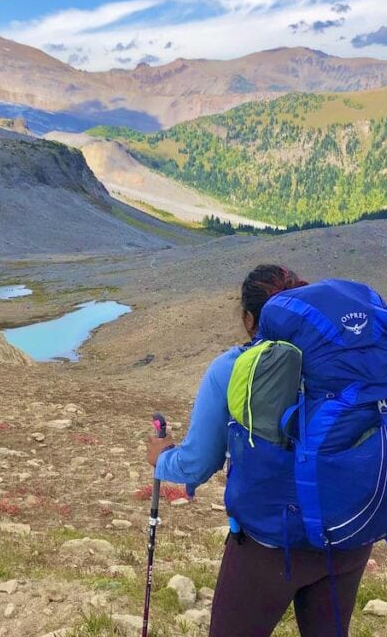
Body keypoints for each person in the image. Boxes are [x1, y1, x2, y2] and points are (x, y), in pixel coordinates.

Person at [146, 264, 373, 637]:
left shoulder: (233, 367)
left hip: (270, 544)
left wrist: (160, 458)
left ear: (250, 318)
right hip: (350, 532)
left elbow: (197, 463)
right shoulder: (347, 362)